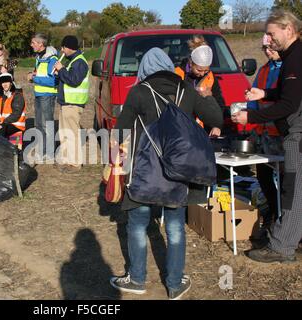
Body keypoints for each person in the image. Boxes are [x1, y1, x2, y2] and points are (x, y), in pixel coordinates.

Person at [109, 48, 223, 300]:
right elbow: (216, 118)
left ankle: (137, 279)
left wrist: (117, 165)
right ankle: (174, 283)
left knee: (137, 225)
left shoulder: (139, 92)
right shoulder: (187, 91)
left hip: (142, 173)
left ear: (145, 69)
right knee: (175, 227)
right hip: (177, 174)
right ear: (169, 67)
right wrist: (206, 95)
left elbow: (120, 132)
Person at [232, 10, 302, 263]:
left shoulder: (295, 59)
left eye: (272, 34)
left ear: (289, 30)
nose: (269, 40)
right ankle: (293, 238)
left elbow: (289, 104)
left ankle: (282, 247)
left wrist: (250, 118)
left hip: (298, 134)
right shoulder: (293, 56)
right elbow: (288, 92)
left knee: (292, 191)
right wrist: (265, 93)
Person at [247, 34, 283, 236]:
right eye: (264, 49)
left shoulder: (290, 68)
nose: (268, 52)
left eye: (271, 47)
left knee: (288, 182)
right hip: (263, 135)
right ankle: (271, 214)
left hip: (283, 135)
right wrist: (249, 111)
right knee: (263, 176)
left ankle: (286, 223)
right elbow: (253, 97)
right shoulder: (264, 70)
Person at [175, 35, 224, 137]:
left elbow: (219, 104)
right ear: (191, 62)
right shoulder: (177, 75)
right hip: (181, 130)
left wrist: (216, 126)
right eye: (199, 70)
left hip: (204, 131)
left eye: (206, 70)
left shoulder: (211, 78)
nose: (202, 74)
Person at [53, 35, 89, 173]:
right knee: (65, 134)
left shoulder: (79, 62)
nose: (62, 50)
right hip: (66, 103)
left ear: (68, 47)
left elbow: (74, 80)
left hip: (73, 104)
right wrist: (59, 74)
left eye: (63, 47)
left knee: (71, 134)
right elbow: (66, 79)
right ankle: (67, 160)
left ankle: (75, 164)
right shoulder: (72, 61)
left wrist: (62, 69)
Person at [28, 33, 59, 162]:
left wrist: (35, 78)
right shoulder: (39, 57)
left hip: (48, 95)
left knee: (47, 124)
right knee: (39, 124)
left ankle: (50, 153)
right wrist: (33, 74)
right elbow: (41, 73)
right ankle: (42, 150)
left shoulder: (52, 59)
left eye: (33, 42)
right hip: (39, 94)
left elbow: (53, 81)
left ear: (41, 44)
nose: (31, 45)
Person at [0, 73, 26, 139]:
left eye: (7, 82)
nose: (5, 84)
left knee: (0, 132)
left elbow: (16, 114)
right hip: (4, 124)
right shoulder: (1, 97)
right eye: (3, 82)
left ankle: (2, 148)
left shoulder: (17, 96)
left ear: (11, 83)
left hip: (16, 125)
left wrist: (2, 124)